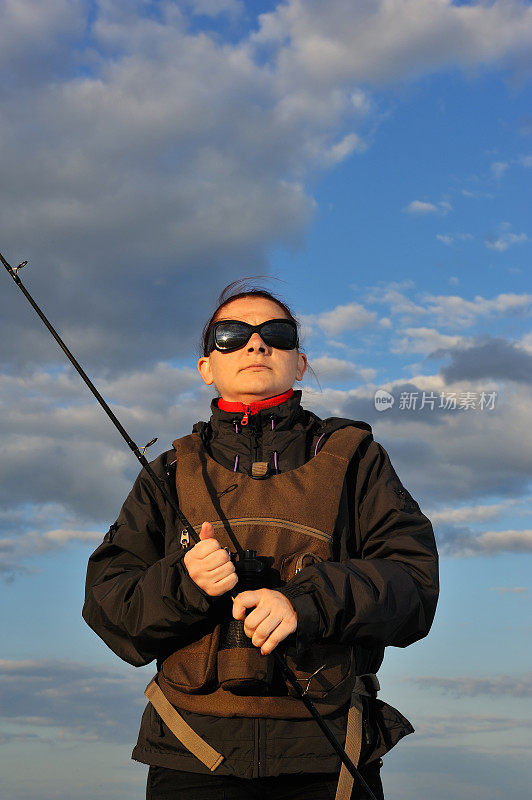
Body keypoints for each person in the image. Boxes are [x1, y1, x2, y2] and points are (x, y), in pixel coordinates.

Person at [83, 282, 439, 800]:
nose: (255, 344)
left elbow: (414, 587)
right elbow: (107, 605)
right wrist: (186, 583)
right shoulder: (167, 472)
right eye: (230, 335)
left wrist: (305, 602)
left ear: (299, 363)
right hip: (191, 754)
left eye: (276, 333)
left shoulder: (358, 459)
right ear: (207, 367)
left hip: (330, 756)